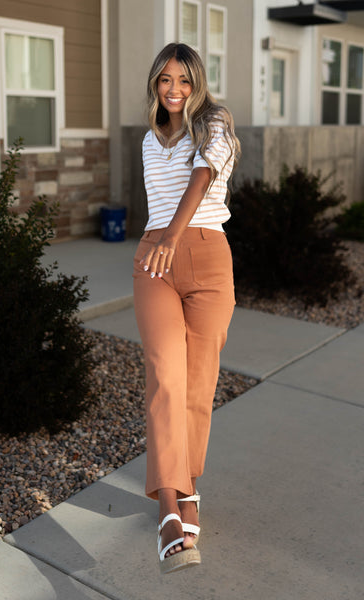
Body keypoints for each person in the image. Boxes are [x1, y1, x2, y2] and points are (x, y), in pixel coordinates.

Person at [133, 42, 240, 575]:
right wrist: (163, 241)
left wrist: (175, 236)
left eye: (183, 81)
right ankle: (169, 507)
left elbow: (202, 176)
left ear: (197, 84)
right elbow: (158, 199)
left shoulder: (214, 122)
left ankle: (189, 484)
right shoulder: (150, 138)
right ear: (155, 84)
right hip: (157, 256)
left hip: (205, 254)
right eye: (164, 81)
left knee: (198, 384)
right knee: (165, 376)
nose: (174, 91)